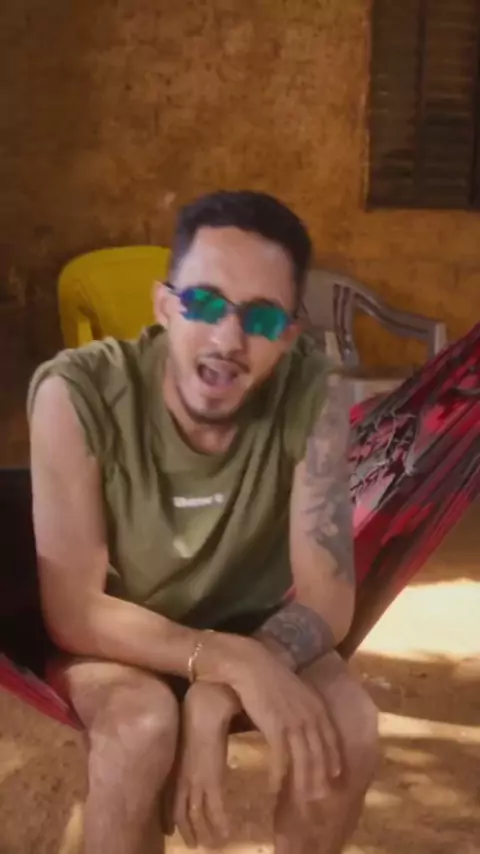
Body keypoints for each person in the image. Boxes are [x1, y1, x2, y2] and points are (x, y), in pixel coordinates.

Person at [28, 190, 378, 854]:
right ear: (165, 306)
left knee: (349, 734)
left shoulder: (314, 394)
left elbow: (328, 593)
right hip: (120, 638)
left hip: (257, 630)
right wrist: (225, 660)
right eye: (205, 304)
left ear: (289, 335)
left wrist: (222, 688)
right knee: (140, 730)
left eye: (262, 317)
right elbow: (73, 611)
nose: (228, 341)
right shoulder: (75, 393)